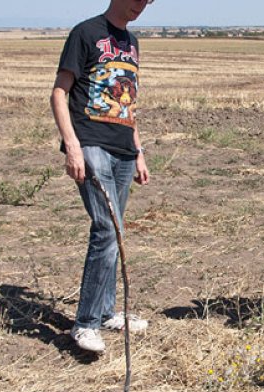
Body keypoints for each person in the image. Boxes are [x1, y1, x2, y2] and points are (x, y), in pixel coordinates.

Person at [50, 0, 153, 353]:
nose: (142, 5)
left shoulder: (132, 42)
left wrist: (138, 151)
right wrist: (72, 146)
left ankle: (107, 311)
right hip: (90, 142)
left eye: (149, 0)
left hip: (123, 148)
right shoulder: (85, 33)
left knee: (115, 230)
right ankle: (86, 323)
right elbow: (59, 93)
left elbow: (129, 104)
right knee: (107, 228)